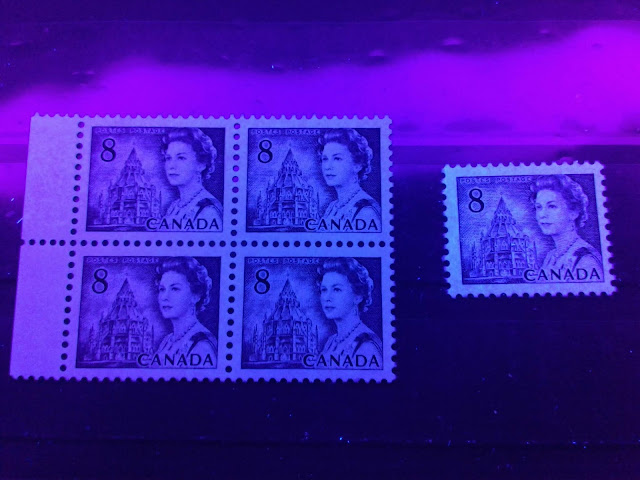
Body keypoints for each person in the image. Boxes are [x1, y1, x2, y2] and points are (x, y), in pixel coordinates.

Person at [531, 175, 603, 278]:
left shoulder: (585, 259)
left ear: (574, 212)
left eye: (552, 206)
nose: (542, 214)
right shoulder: (551, 257)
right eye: (538, 207)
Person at [155, 257, 217, 366]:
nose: (164, 297)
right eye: (162, 289)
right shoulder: (166, 341)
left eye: (175, 289)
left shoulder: (202, 345)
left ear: (196, 295)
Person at [318, 258, 382, 362]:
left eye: (336, 289)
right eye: (324, 290)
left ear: (358, 296)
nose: (327, 297)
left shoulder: (366, 345)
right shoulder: (331, 342)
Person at [317, 129, 381, 230]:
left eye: (337, 158)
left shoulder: (366, 211)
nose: (327, 166)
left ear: (357, 165)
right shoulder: (332, 207)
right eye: (325, 159)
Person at [161, 128, 223, 230]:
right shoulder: (174, 206)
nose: (171, 166)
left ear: (201, 164)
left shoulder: (208, 210)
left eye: (181, 158)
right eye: (168, 158)